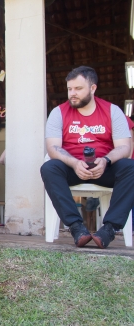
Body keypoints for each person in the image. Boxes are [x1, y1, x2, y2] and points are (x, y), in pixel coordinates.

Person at [41, 66, 134, 249]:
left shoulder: (112, 111)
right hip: (73, 167)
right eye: (69, 89)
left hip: (105, 167)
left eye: (78, 88)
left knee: (130, 167)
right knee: (49, 168)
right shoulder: (58, 112)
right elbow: (53, 148)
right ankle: (77, 228)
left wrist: (106, 160)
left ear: (93, 88)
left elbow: (125, 147)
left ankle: (109, 229)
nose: (72, 94)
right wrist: (75, 163)